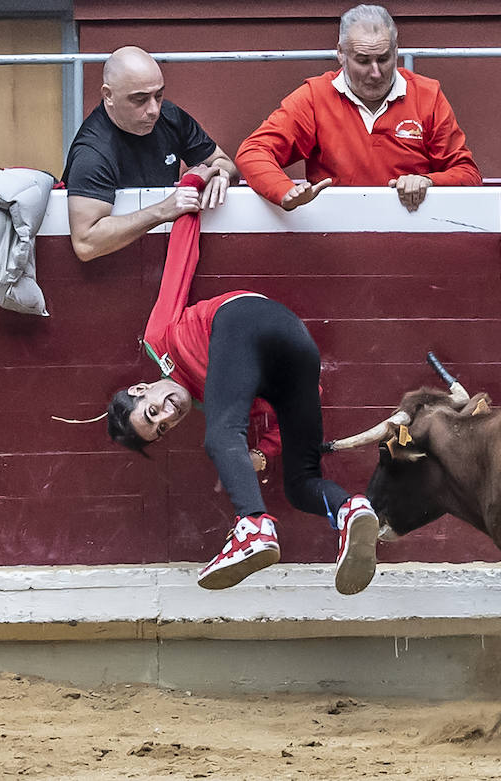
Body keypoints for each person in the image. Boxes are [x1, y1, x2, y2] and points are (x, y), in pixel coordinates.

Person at [102, 164, 379, 594]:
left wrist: (189, 188)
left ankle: (252, 528)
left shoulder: (160, 342)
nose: (166, 416)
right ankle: (351, 509)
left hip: (245, 319)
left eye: (151, 410)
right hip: (298, 355)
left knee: (218, 437)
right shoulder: (225, 401)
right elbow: (305, 397)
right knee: (300, 482)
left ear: (142, 388)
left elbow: (181, 262)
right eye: (160, 428)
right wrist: (263, 454)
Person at [235, 4, 480, 213]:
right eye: (363, 60)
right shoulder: (315, 97)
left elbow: (468, 175)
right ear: (341, 54)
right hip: (336, 237)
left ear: (396, 51)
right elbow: (253, 152)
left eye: (384, 59)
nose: (376, 72)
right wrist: (284, 191)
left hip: (414, 230)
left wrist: (428, 181)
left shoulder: (427, 95)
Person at [62, 46, 238, 261]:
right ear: (108, 95)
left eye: (159, 95)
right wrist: (163, 211)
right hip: (108, 276)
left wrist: (220, 174)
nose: (154, 109)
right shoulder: (92, 153)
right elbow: (86, 243)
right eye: (140, 99)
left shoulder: (170, 116)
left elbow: (224, 162)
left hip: (159, 259)